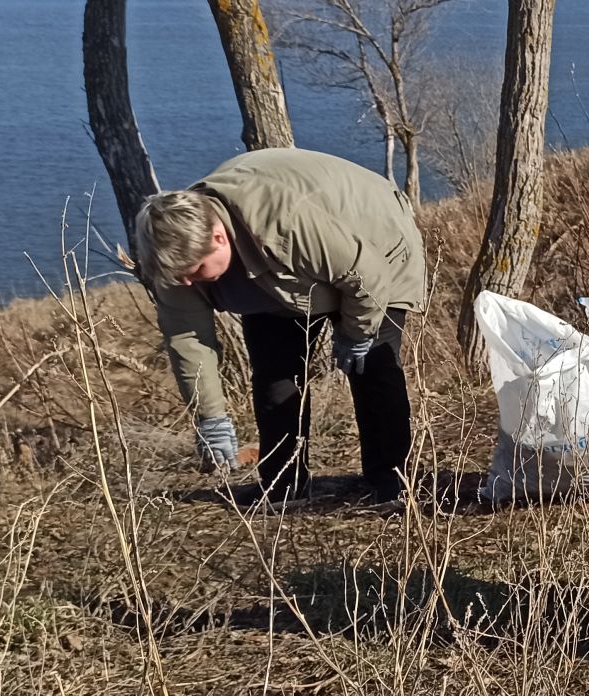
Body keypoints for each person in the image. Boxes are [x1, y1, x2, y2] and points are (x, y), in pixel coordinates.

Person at [132, 148, 426, 504]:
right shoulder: (175, 259)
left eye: (196, 271)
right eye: (179, 276)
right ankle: (284, 484)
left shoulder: (285, 223)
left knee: (373, 367)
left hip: (373, 249)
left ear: (218, 237)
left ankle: (389, 480)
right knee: (275, 376)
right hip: (280, 280)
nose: (188, 284)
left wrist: (357, 333)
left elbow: (365, 274)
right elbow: (187, 339)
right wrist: (210, 417)